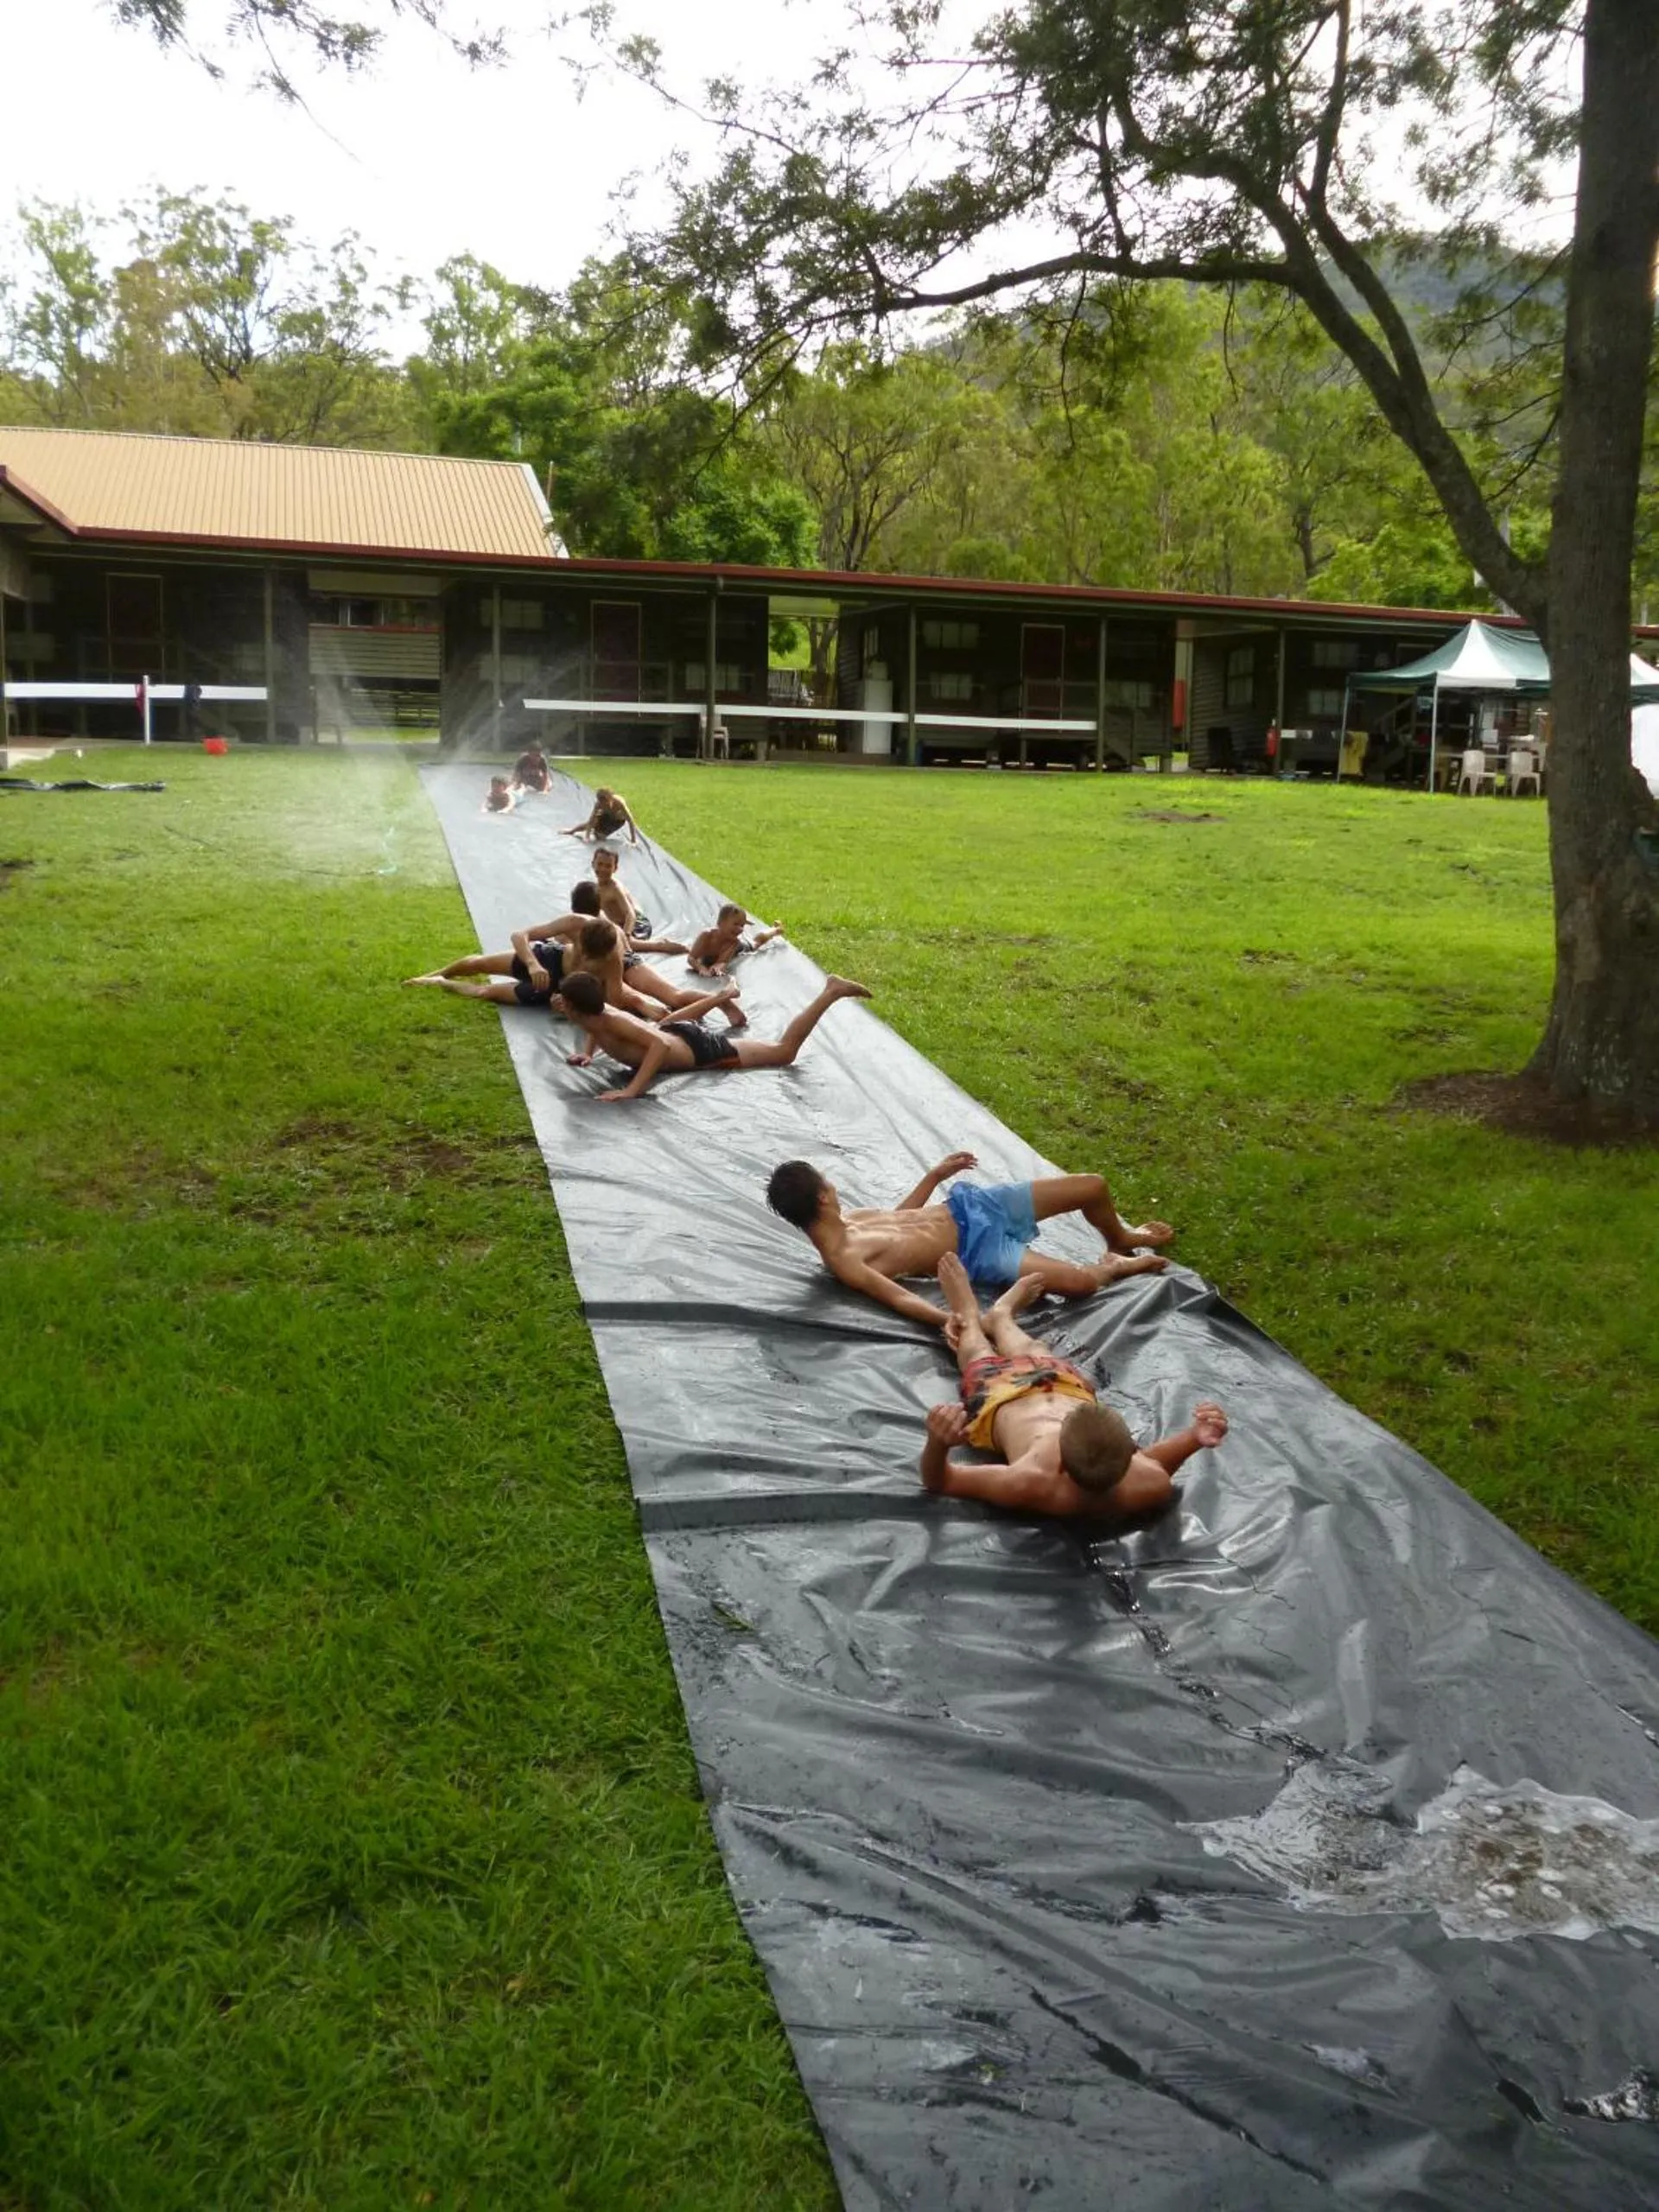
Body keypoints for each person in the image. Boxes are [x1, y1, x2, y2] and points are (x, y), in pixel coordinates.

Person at [920, 1256, 1227, 1520]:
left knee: (977, 1355)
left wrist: (938, 1443)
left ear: (1062, 1464)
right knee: (1034, 1348)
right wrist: (1192, 1439)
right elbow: (1155, 1464)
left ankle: (969, 1316)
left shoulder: (1029, 1482)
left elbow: (942, 1481)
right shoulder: (1148, 1482)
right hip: (1063, 1386)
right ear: (1130, 1458)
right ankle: (1001, 1318)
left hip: (1000, 1398)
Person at [765, 1149, 1172, 1328]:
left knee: (1092, 1186)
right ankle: (1114, 1266)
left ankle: (1121, 1239)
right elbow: (899, 1298)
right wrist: (956, 1318)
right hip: (980, 1251)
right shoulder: (846, 1260)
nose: (834, 1187)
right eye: (829, 1184)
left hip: (975, 1208)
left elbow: (900, 1216)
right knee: (1080, 1285)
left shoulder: (847, 1218)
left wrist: (934, 1176)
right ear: (821, 1197)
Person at [556, 968, 870, 1102]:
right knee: (664, 1026)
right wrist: (588, 1053)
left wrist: (632, 1091)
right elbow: (593, 1027)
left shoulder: (611, 1020)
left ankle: (831, 992)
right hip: (673, 1030)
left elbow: (659, 1045)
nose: (557, 1003)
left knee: (783, 1052)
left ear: (573, 1006)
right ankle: (723, 996)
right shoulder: (592, 1017)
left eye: (562, 1000)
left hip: (698, 1048)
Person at [686, 903, 786, 976]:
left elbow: (722, 962)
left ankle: (776, 930)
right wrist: (701, 968)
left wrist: (716, 969)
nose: (740, 929)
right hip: (709, 955)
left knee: (756, 942)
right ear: (720, 923)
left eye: (742, 925)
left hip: (741, 947)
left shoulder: (734, 942)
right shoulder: (706, 935)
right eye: (736, 924)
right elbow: (691, 958)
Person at [588, 845, 658, 942]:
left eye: (608, 866)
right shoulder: (595, 888)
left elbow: (630, 914)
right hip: (618, 926)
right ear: (593, 864)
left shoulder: (615, 888)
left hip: (637, 925)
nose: (603, 869)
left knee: (619, 946)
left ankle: (662, 945)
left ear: (615, 868)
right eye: (600, 864)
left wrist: (626, 935)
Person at [564, 786, 639, 844]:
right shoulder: (599, 804)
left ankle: (596, 831)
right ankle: (572, 831)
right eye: (602, 803)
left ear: (611, 799)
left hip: (617, 820)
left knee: (600, 837)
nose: (604, 805)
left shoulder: (620, 803)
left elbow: (631, 822)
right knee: (594, 823)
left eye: (606, 803)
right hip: (606, 816)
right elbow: (591, 820)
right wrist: (587, 837)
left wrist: (633, 840)